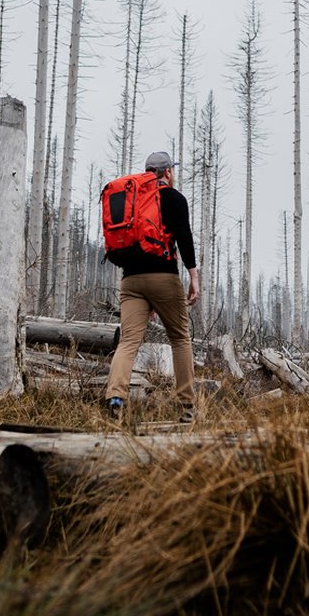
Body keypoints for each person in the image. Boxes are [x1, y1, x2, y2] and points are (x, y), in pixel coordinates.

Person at [104, 150, 200, 422]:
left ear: (148, 172)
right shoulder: (174, 197)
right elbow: (184, 238)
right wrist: (193, 276)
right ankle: (187, 408)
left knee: (129, 341)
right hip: (163, 277)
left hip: (131, 281)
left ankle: (115, 399)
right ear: (168, 172)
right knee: (180, 339)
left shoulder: (132, 198)